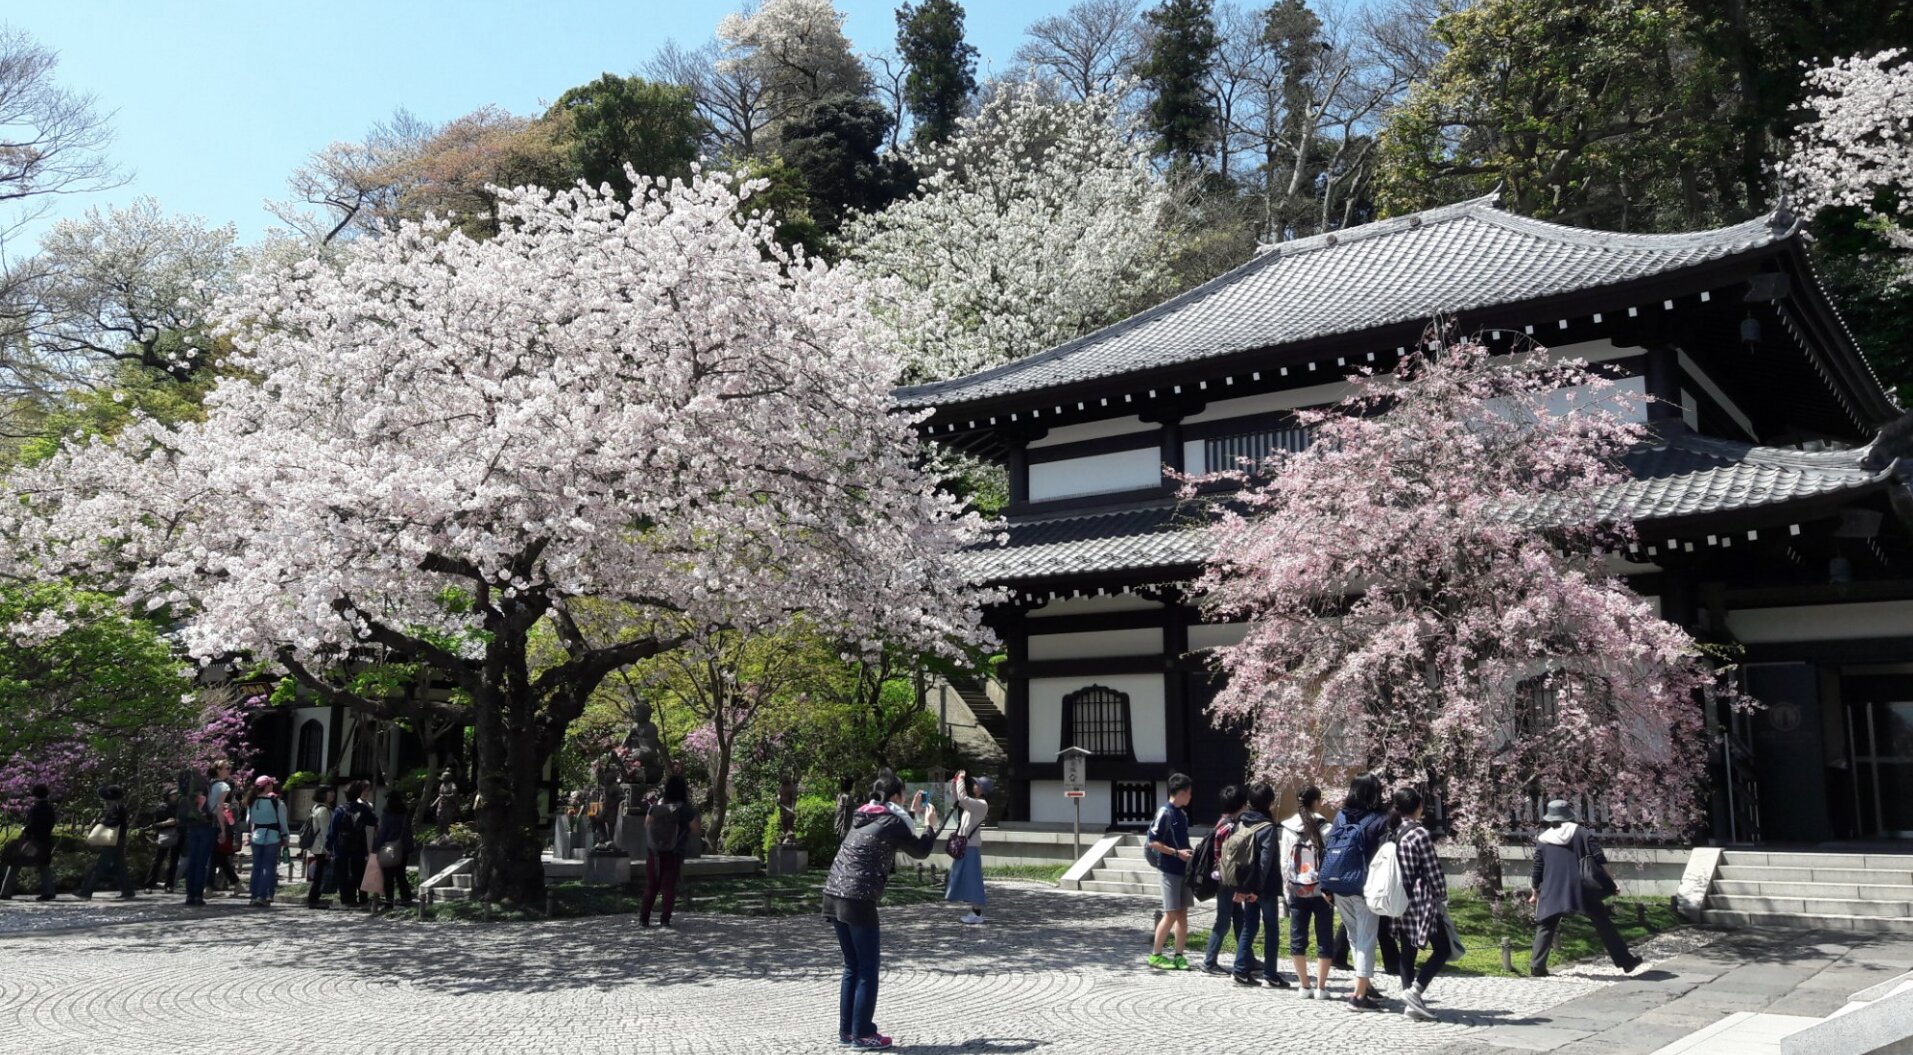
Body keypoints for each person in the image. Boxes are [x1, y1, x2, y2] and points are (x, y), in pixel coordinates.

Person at [821, 772, 942, 1050]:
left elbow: (892, 828)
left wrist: (909, 813)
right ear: (897, 797)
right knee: (867, 970)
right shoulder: (891, 821)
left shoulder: (864, 816)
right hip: (858, 898)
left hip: (833, 893)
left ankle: (848, 1032)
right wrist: (930, 826)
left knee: (852, 966)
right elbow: (920, 851)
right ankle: (863, 1034)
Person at [1530, 799, 1641, 976]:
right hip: (1581, 888)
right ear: (1569, 815)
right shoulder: (1581, 833)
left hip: (1553, 888)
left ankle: (1537, 966)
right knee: (1603, 923)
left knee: (1546, 924)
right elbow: (1599, 859)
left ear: (1551, 818)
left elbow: (1538, 868)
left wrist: (1535, 890)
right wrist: (1612, 882)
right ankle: (1625, 961)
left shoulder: (1543, 840)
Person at [1325, 773, 1392, 1012]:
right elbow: (1385, 854)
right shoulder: (1379, 819)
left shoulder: (1341, 816)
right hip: (1365, 886)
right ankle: (1358, 996)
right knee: (1365, 940)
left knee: (1355, 936)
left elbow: (1330, 847)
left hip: (1340, 883)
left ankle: (1365, 984)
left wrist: (1326, 885)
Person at [1391, 788, 1451, 1021]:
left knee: (1407, 950)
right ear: (1418, 807)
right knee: (1443, 948)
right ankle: (1415, 991)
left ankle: (1410, 1005)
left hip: (1401, 897)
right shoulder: (1419, 834)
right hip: (1422, 899)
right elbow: (1432, 868)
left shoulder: (1396, 832)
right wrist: (1442, 895)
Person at [1229, 782, 1293, 989]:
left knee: (1250, 925)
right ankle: (1270, 975)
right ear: (1269, 803)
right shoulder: (1267, 828)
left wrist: (1245, 888)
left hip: (1245, 883)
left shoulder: (1241, 823)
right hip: (1263, 888)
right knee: (1272, 928)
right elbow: (1265, 862)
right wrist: (1257, 889)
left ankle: (1239, 970)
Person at [1281, 784, 1335, 999]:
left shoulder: (1288, 829)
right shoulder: (1327, 828)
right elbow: (1330, 862)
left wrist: (1287, 893)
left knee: (1297, 938)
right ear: (1317, 802)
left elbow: (1285, 863)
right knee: (1324, 938)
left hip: (1297, 889)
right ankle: (1321, 988)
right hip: (1321, 892)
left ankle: (1304, 986)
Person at [1145, 773, 1196, 970]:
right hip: (1168, 870)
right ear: (1182, 793)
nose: (1190, 797)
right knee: (1171, 913)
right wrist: (1176, 853)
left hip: (1183, 869)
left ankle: (1179, 955)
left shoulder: (1182, 815)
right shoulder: (1164, 813)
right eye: (1189, 793)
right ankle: (1156, 955)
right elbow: (1153, 842)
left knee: (1182, 914)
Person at [1199, 784, 1250, 975]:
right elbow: (1230, 858)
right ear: (1240, 805)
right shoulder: (1230, 828)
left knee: (1239, 918)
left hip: (1223, 878)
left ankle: (1247, 956)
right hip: (1227, 880)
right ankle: (1209, 961)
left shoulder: (1221, 823)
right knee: (1224, 920)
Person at [641, 773, 701, 927]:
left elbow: (646, 824)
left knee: (651, 886)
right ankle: (665, 919)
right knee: (668, 887)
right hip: (673, 853)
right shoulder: (684, 809)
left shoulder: (656, 807)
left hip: (653, 852)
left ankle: (644, 918)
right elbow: (695, 829)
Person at [944, 771, 989, 925]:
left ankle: (977, 913)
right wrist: (954, 783)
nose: (974, 785)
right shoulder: (974, 804)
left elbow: (963, 799)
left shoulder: (981, 805)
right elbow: (958, 800)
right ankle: (975, 912)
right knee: (966, 878)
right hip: (966, 846)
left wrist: (961, 780)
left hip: (970, 847)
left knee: (973, 879)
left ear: (982, 789)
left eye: (977, 784)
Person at [77, 785, 136, 900]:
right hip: (119, 839)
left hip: (114, 840)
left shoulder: (116, 807)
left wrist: (103, 823)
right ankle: (127, 890)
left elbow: (114, 821)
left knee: (100, 866)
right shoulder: (119, 806)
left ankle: (86, 891)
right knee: (120, 866)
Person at [0, 783, 58, 901]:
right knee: (43, 865)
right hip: (46, 841)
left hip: (33, 841)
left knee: (15, 863)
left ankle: (5, 892)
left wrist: (24, 830)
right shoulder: (50, 808)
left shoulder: (35, 809)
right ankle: (49, 891)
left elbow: (32, 825)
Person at [328, 781, 377, 909]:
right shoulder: (363, 809)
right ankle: (363, 900)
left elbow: (332, 831)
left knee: (342, 874)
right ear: (358, 794)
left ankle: (347, 900)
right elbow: (374, 821)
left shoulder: (339, 810)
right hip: (359, 845)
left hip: (341, 846)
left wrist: (329, 846)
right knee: (359, 873)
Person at [244, 776, 289, 907]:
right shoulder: (276, 802)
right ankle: (263, 895)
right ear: (268, 785)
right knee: (268, 867)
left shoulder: (252, 801)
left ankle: (254, 895)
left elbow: (248, 820)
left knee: (256, 867)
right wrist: (285, 836)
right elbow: (282, 821)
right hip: (272, 836)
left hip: (256, 836)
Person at [176, 766, 216, 906]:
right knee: (201, 863)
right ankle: (198, 895)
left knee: (192, 861)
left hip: (191, 827)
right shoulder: (206, 786)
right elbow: (212, 807)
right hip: (205, 825)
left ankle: (190, 895)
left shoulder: (185, 788)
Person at [374, 789, 416, 912]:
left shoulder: (387, 813)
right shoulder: (405, 813)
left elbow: (383, 832)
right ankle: (406, 898)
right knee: (401, 875)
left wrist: (376, 847)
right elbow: (408, 832)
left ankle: (389, 902)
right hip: (403, 848)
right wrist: (408, 847)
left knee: (388, 876)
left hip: (389, 848)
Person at [206, 760, 241, 895]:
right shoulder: (223, 786)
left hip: (210, 823)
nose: (229, 770)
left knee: (217, 856)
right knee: (216, 856)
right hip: (218, 824)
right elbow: (220, 809)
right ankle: (210, 886)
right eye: (227, 768)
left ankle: (234, 883)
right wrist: (223, 829)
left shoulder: (209, 785)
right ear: (219, 770)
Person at [143, 789, 182, 892]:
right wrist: (166, 823)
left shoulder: (180, 807)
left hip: (177, 835)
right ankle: (149, 885)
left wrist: (178, 822)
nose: (176, 796)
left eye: (176, 794)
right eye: (173, 794)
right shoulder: (161, 808)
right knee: (158, 861)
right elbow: (155, 825)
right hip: (164, 836)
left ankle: (169, 885)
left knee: (174, 861)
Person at [305, 786, 336, 910]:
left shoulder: (318, 808)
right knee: (319, 875)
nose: (333, 794)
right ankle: (313, 899)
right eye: (330, 792)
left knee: (319, 874)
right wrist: (328, 849)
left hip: (319, 846)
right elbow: (325, 831)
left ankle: (314, 898)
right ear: (323, 794)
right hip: (321, 847)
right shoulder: (323, 810)